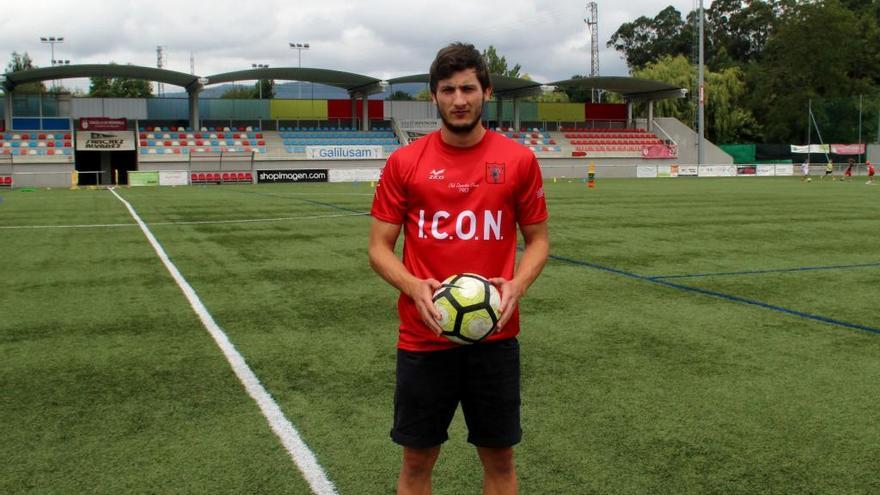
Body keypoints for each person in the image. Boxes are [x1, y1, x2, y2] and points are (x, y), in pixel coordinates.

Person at [368, 42, 549, 495]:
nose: (459, 99)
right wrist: (413, 285)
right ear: (434, 96)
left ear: (486, 91)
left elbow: (539, 242)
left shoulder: (518, 160)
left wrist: (516, 285)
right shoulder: (405, 163)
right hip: (422, 336)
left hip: (496, 337)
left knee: (500, 463)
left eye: (468, 88)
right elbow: (378, 248)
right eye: (448, 89)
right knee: (415, 465)